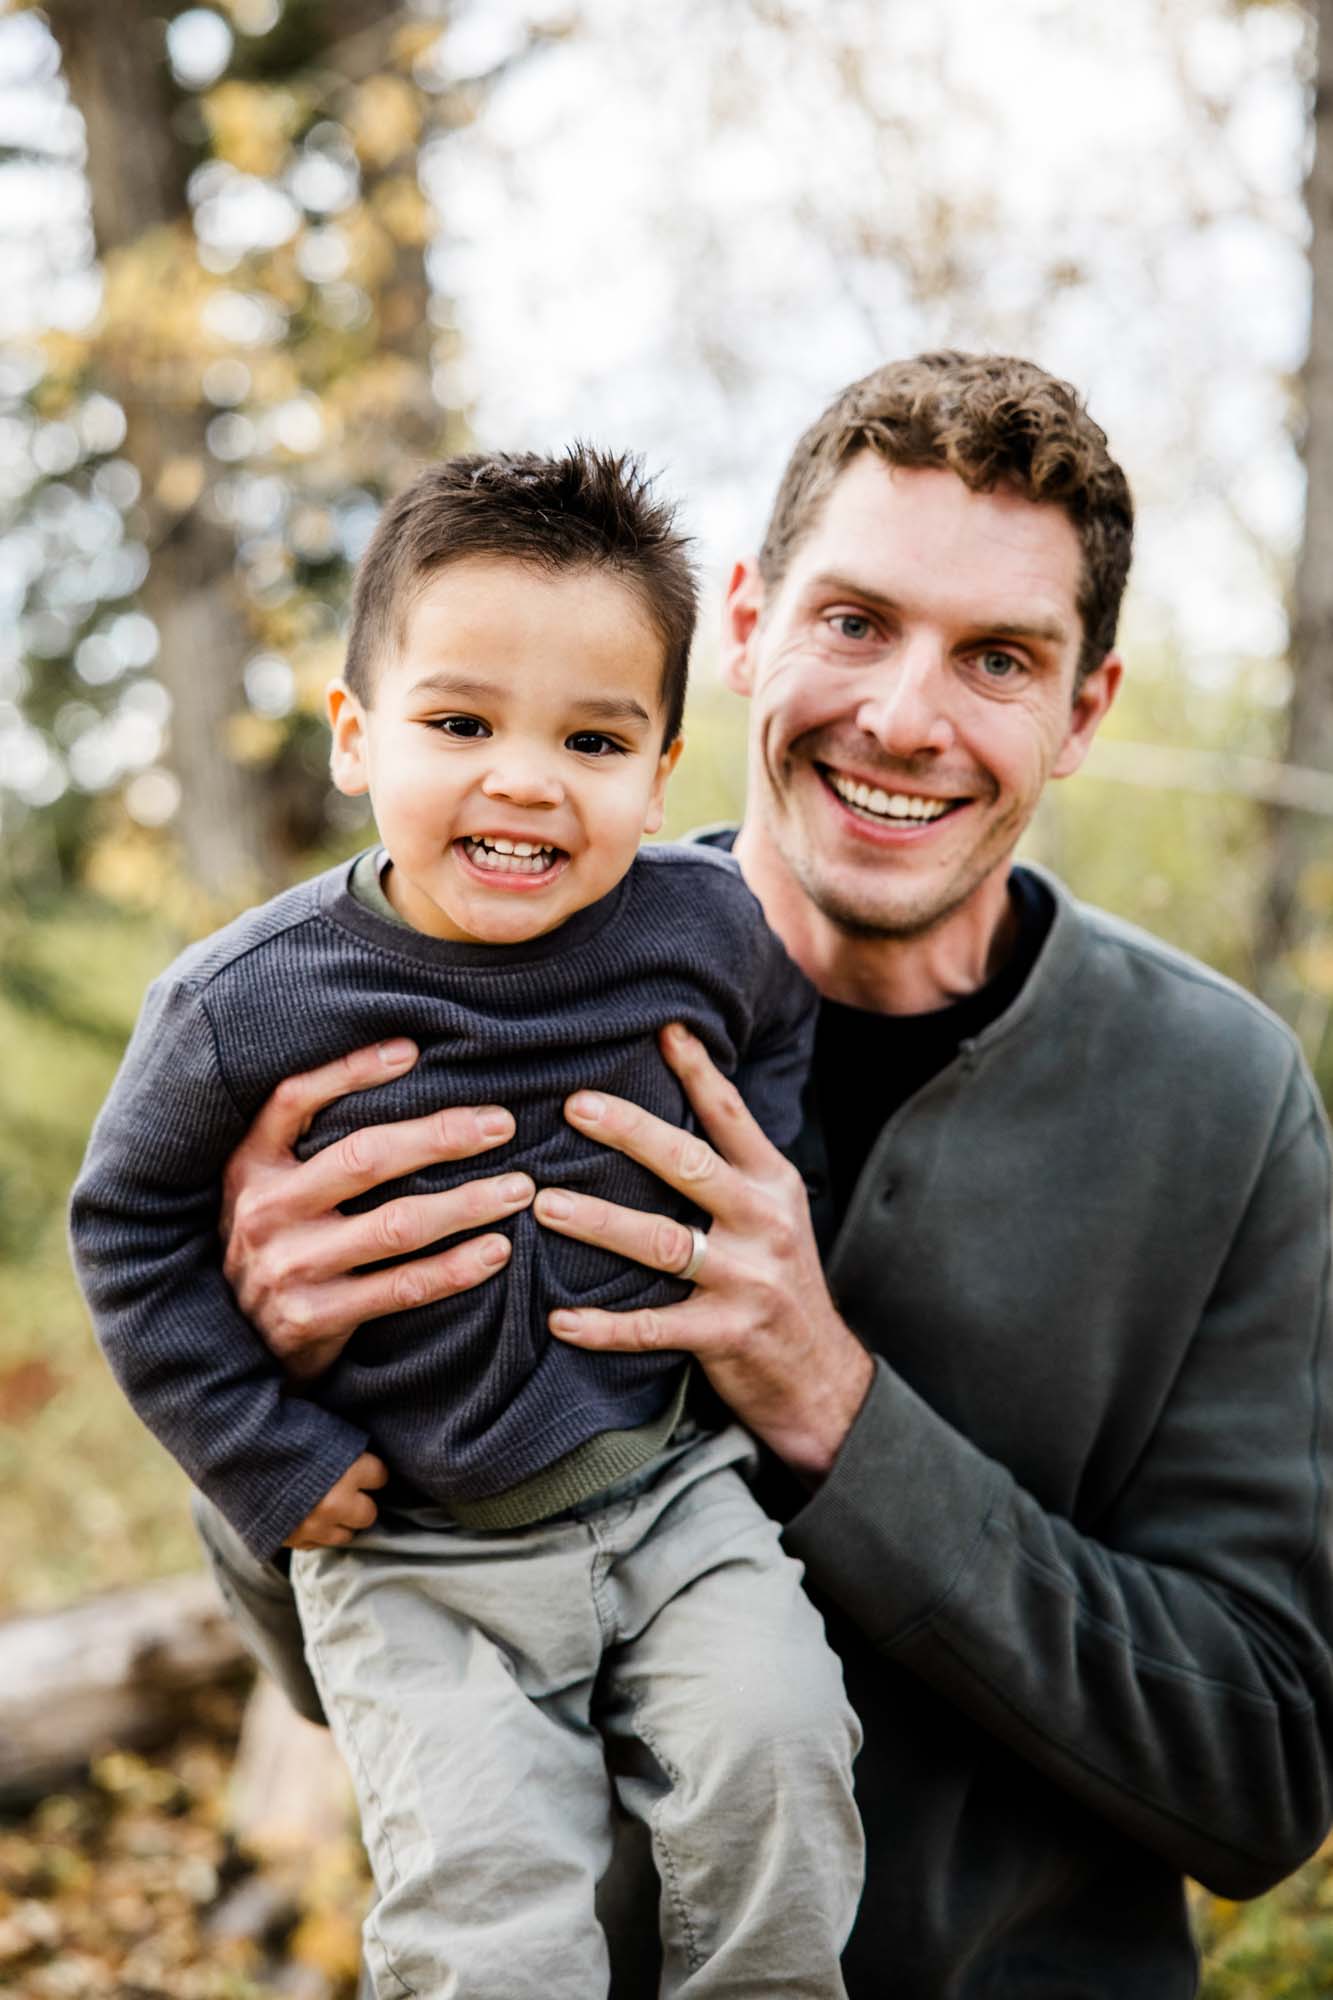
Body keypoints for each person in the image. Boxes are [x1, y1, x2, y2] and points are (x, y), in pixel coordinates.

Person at [199, 353, 1333, 1999]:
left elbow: (1257, 1777)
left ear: (1082, 711)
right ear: (742, 625)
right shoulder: (449, 991)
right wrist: (266, 1409)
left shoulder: (1219, 1104)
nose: (901, 716)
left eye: (997, 658)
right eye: (854, 622)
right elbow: (343, 1677)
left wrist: (831, 1406)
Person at [69, 447, 864, 2000]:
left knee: (779, 1754)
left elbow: (772, 1033)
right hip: (419, 1550)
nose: (524, 776)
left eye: (592, 737)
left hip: (670, 1494)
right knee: (486, 1926)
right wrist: (263, 1455)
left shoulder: (702, 926)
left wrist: (759, 1171)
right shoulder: (246, 1003)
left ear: (659, 767)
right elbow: (130, 1229)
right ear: (358, 737)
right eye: (458, 722)